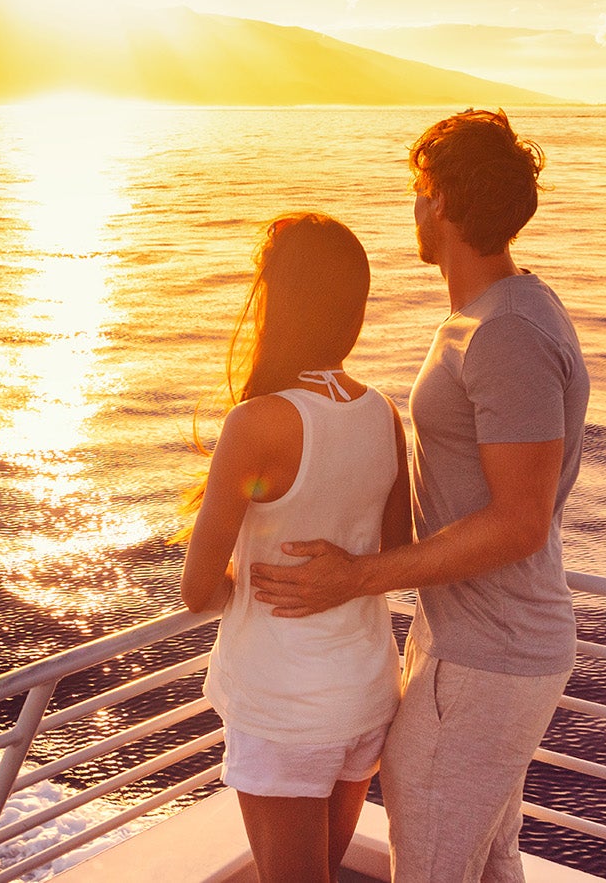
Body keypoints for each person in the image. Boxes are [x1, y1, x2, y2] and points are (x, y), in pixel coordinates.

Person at [250, 109, 589, 883]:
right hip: (469, 641)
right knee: (490, 860)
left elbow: (520, 520)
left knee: (432, 865)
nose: (412, 209)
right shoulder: (492, 315)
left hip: (489, 655)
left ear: (439, 201)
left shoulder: (505, 332)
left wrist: (357, 575)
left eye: (417, 190)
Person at [177, 212, 411, 883]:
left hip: (287, 705)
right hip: (364, 690)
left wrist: (245, 583)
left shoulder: (256, 424)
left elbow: (197, 590)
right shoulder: (380, 412)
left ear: (276, 301)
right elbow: (392, 551)